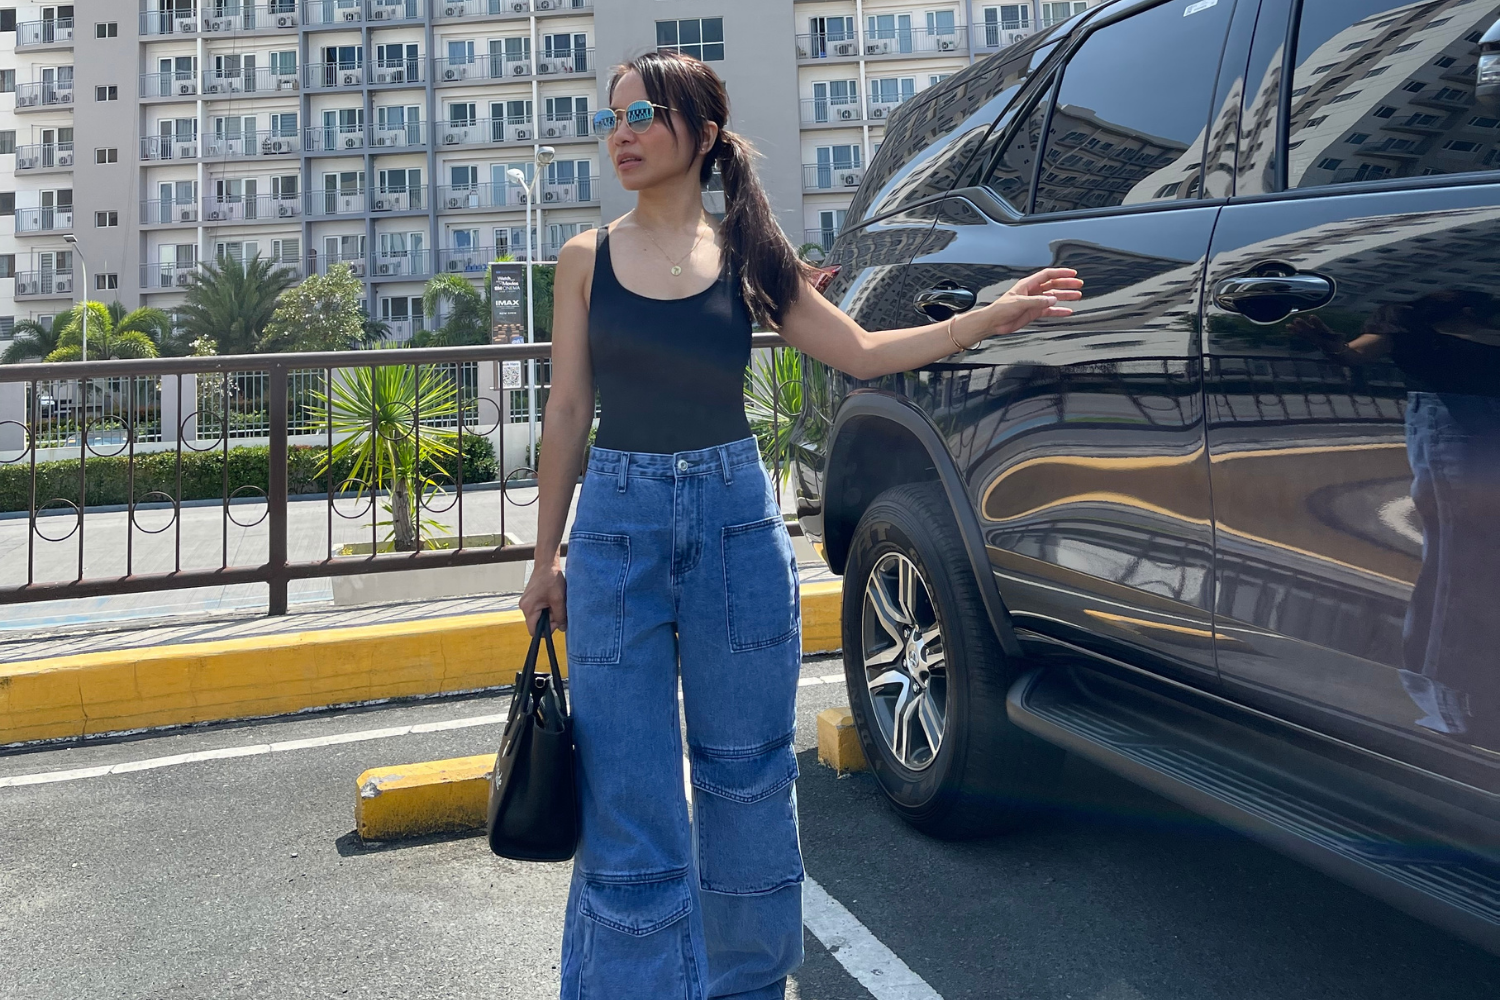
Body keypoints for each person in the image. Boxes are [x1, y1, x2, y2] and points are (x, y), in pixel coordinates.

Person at [518, 50, 1083, 1000]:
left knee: (746, 779)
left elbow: (860, 350)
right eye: (609, 117)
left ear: (700, 133)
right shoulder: (584, 259)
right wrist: (545, 559)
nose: (620, 132)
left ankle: (745, 985)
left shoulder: (748, 257)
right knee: (629, 793)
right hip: (616, 533)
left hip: (736, 525)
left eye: (644, 113)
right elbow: (567, 413)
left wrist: (984, 321)